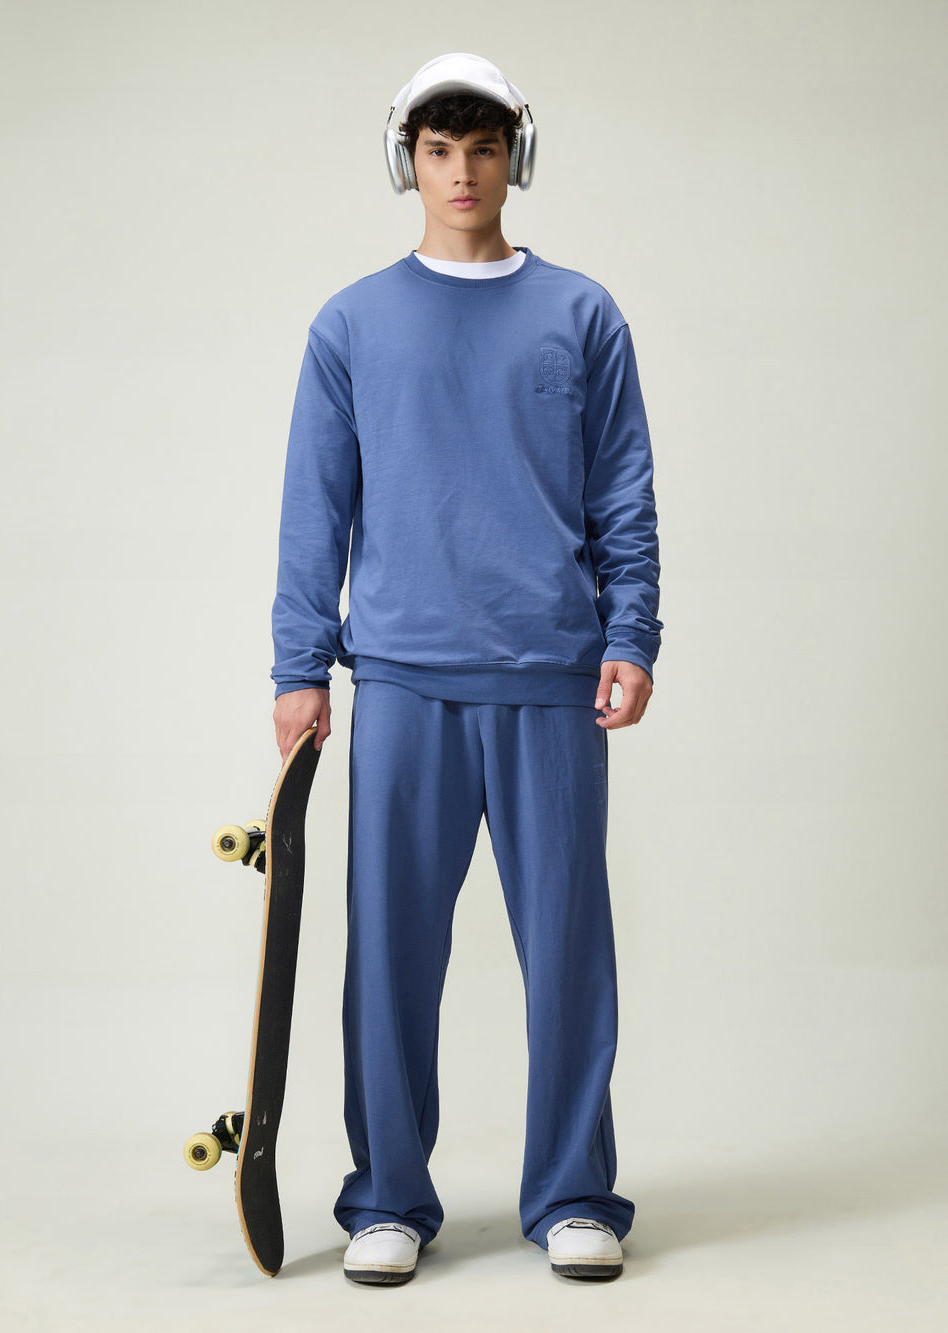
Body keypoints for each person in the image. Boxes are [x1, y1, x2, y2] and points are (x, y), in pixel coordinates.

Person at [270, 52, 663, 1285]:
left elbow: (623, 491)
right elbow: (314, 509)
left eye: (482, 148)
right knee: (388, 956)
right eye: (438, 150)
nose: (461, 172)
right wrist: (298, 666)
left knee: (568, 954)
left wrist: (631, 633)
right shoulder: (350, 323)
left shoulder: (582, 314)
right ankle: (387, 1196)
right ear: (408, 163)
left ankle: (575, 1194)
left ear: (514, 158)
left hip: (550, 679)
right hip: (400, 681)